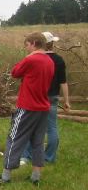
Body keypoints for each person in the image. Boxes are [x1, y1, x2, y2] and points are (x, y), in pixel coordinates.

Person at [0, 32, 54, 187]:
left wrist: (29, 58)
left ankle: (5, 177)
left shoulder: (32, 59)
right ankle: (35, 177)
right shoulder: (50, 61)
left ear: (34, 43)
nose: (26, 49)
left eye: (27, 45)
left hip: (27, 107)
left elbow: (15, 72)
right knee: (37, 142)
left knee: (14, 139)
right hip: (43, 108)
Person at [20, 31, 71, 165]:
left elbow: (24, 77)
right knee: (51, 128)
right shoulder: (58, 60)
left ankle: (27, 155)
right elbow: (63, 82)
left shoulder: (34, 58)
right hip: (52, 97)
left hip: (35, 97)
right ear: (51, 43)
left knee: (29, 126)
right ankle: (49, 157)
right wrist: (66, 101)